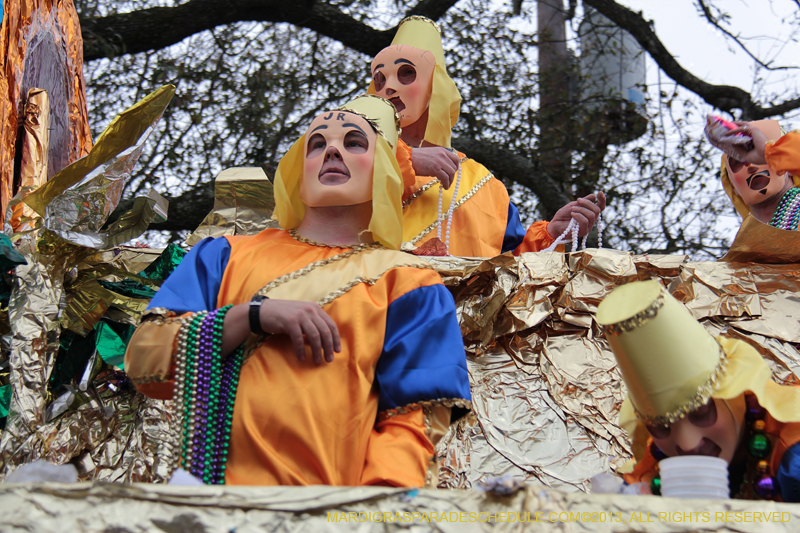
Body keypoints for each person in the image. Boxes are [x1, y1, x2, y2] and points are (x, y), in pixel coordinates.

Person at [123, 95, 471, 487]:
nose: (333, 150)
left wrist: (371, 515)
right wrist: (248, 316)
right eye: (317, 144)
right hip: (208, 508)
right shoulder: (221, 254)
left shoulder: (410, 281)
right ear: (296, 171)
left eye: (355, 143)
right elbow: (145, 363)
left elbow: (415, 422)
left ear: (384, 169)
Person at [368, 16, 605, 256]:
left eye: (407, 72)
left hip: (451, 295)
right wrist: (404, 159)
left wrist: (552, 236)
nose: (389, 87)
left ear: (435, 85)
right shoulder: (350, 152)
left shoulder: (484, 185)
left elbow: (506, 271)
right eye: (380, 78)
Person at [596, 280, 800, 501]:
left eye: (701, 412)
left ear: (734, 392)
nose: (688, 445)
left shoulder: (793, 455)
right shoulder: (655, 474)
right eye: (661, 427)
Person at [709, 119, 800, 230]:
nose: (750, 165)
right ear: (732, 186)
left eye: (759, 157)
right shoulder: (744, 246)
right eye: (738, 161)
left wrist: (767, 151)